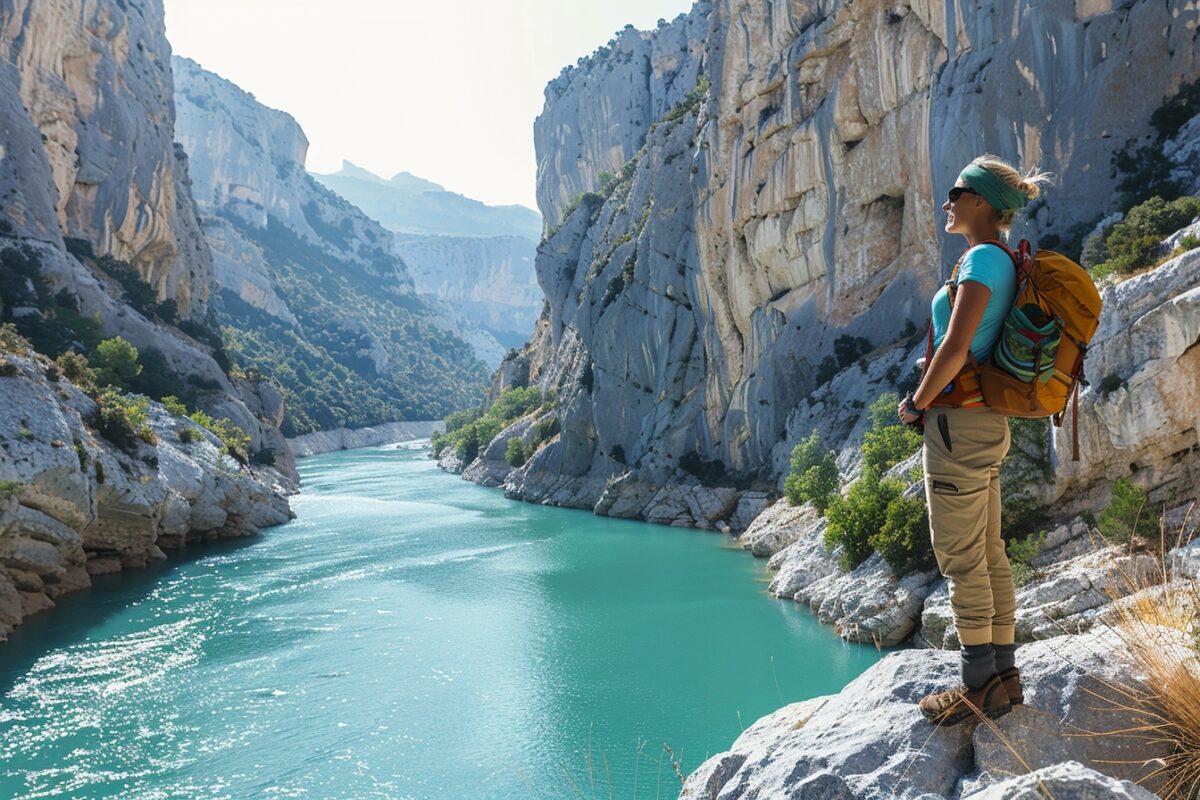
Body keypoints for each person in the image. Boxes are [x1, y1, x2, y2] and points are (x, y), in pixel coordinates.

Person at [897, 154, 1050, 726]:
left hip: (958, 425)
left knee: (962, 558)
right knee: (988, 553)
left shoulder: (983, 258)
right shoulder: (1002, 258)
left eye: (957, 192)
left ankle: (977, 687)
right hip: (985, 423)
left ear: (982, 202)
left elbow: (956, 349)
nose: (947, 202)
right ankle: (1004, 678)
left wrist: (917, 402)